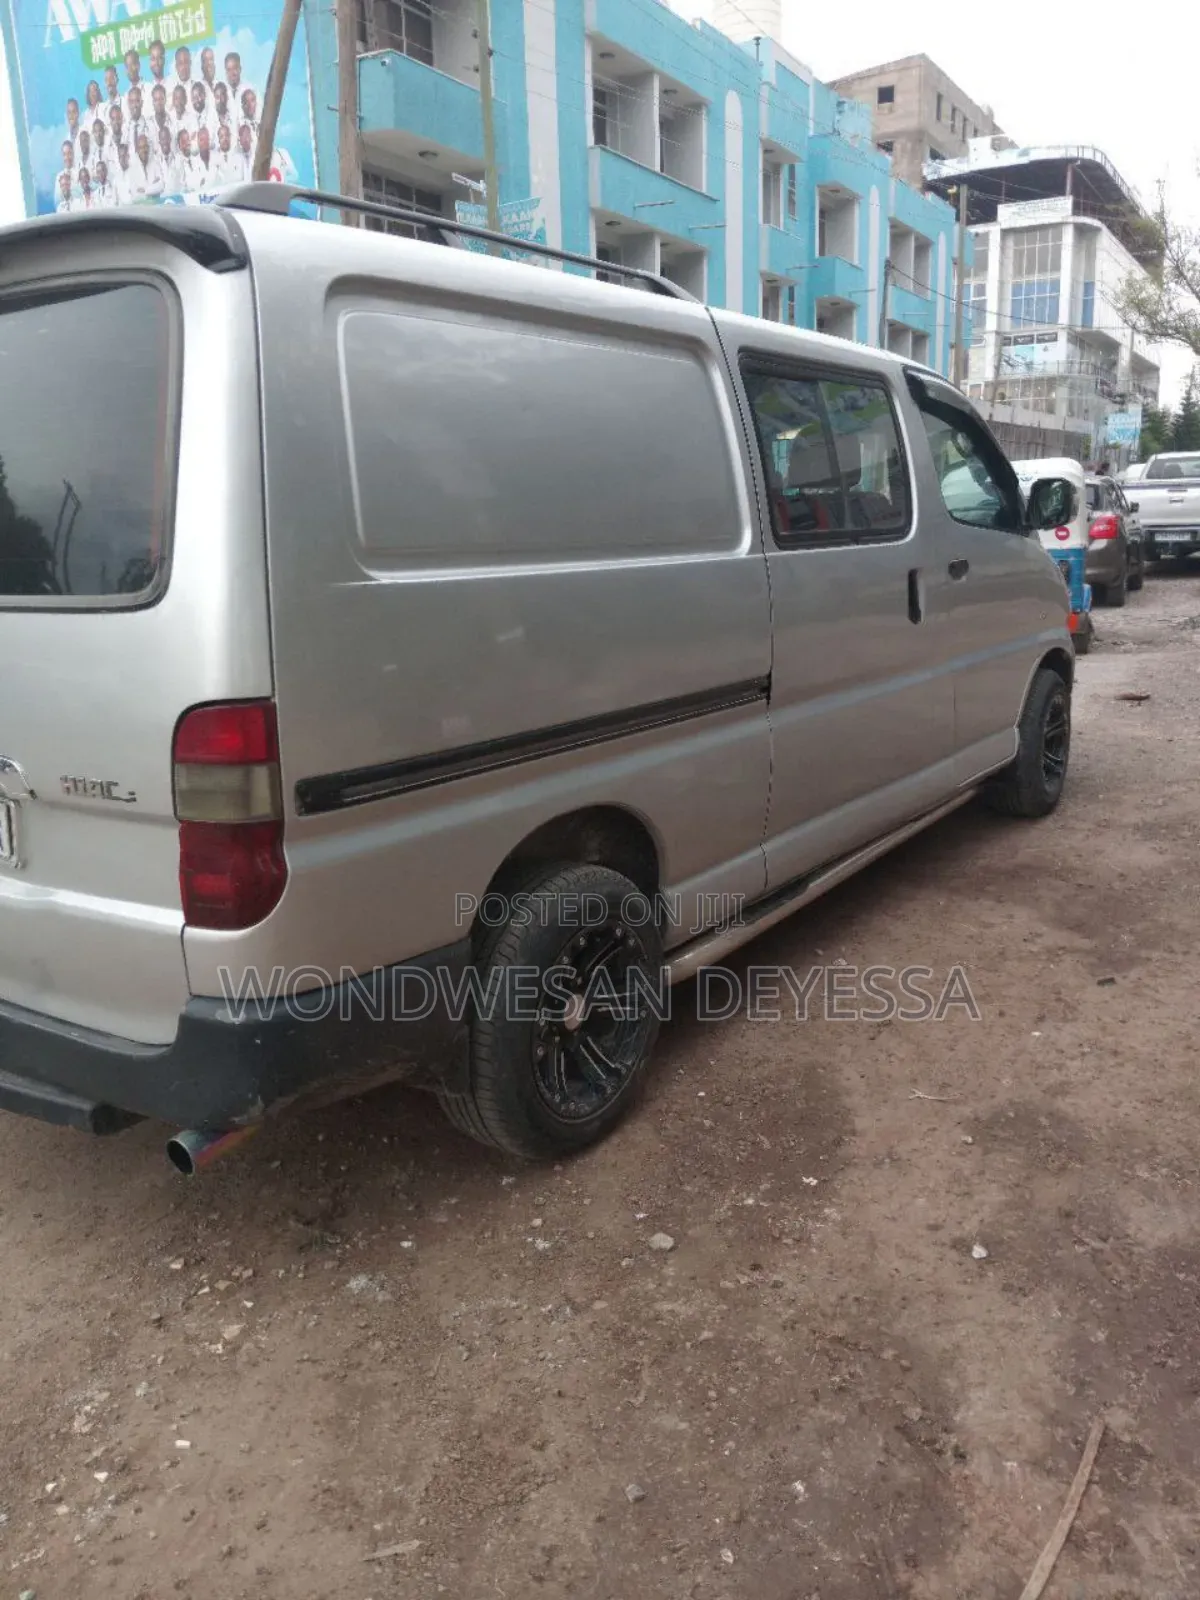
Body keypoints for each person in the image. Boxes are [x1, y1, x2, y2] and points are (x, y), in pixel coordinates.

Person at [128, 134, 161, 200]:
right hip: (140, 208)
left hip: (156, 207)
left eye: (145, 146)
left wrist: (145, 190)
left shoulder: (155, 164)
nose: (143, 150)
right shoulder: (132, 170)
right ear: (137, 150)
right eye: (141, 148)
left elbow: (161, 186)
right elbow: (135, 194)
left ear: (148, 148)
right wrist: (153, 187)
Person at [174, 127, 204, 193]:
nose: (187, 143)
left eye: (188, 140)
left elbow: (203, 179)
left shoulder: (197, 160)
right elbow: (180, 186)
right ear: (179, 146)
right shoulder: (178, 165)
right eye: (183, 141)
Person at [125, 84, 149, 148]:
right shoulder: (124, 128)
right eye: (132, 101)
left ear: (142, 103)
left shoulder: (150, 125)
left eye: (137, 101)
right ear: (128, 104)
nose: (134, 105)